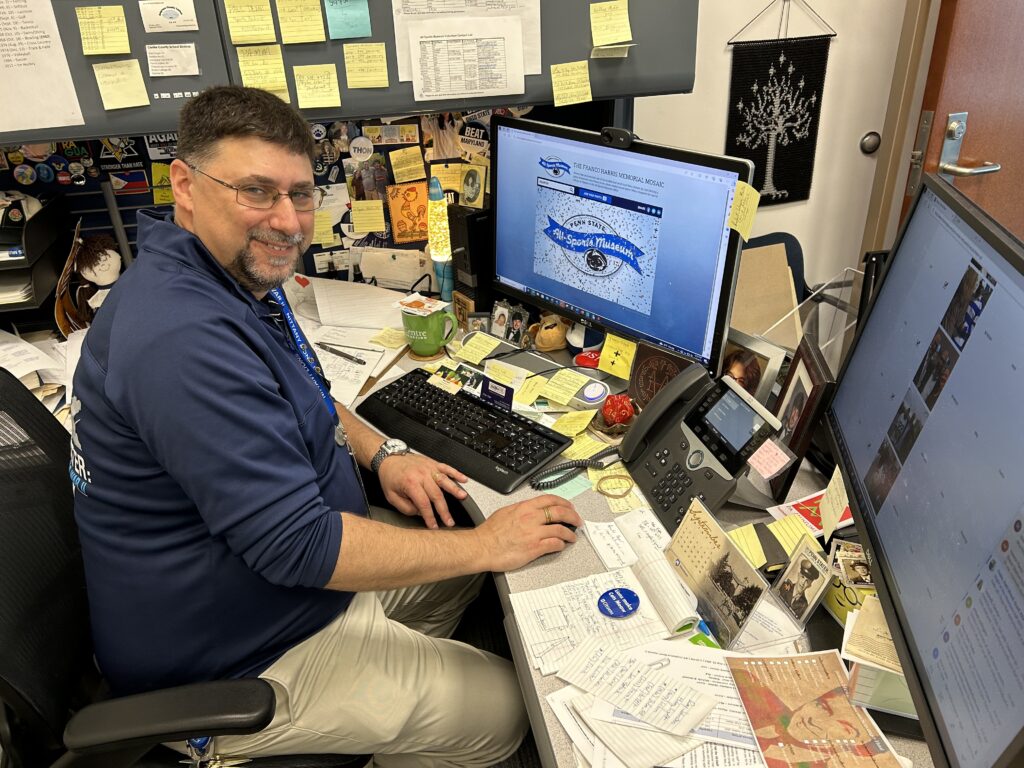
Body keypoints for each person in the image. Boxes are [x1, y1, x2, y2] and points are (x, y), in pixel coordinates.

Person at [70, 85, 582, 767]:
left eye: (301, 194)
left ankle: (392, 710)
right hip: (231, 658)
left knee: (459, 560)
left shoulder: (219, 275)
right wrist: (489, 542)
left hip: (271, 592)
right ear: (185, 186)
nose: (288, 222)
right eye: (256, 192)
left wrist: (384, 453)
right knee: (507, 707)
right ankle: (392, 714)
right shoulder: (180, 339)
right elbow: (301, 547)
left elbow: (301, 392)